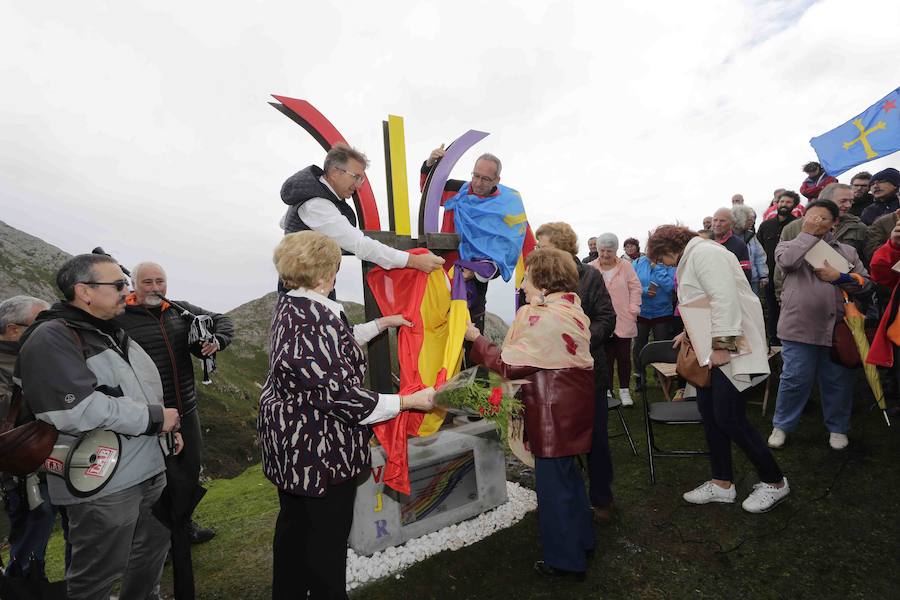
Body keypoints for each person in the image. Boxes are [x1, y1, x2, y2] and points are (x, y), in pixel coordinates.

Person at [259, 231, 435, 598]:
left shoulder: (293, 305)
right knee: (325, 545)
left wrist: (380, 324)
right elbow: (341, 397)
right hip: (317, 453)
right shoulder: (313, 321)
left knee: (294, 534)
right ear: (327, 273)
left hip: (291, 450)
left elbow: (332, 346)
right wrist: (407, 402)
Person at [15, 253, 181, 600]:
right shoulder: (51, 337)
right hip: (102, 484)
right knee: (97, 575)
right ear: (84, 291)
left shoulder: (111, 331)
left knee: (150, 554)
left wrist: (166, 429)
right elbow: (75, 409)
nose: (126, 291)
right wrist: (154, 418)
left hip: (149, 467)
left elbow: (138, 390)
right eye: (118, 285)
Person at [465, 247, 595, 578]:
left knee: (553, 492)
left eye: (527, 277)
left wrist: (476, 338)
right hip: (573, 410)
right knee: (569, 480)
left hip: (552, 414)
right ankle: (582, 541)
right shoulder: (570, 309)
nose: (522, 285)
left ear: (543, 280)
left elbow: (508, 364)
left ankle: (565, 562)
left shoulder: (544, 319)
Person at [645, 225, 789, 514]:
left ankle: (774, 481)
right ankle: (722, 483)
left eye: (662, 259)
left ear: (669, 248)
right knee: (711, 416)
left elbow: (725, 299)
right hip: (712, 347)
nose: (665, 265)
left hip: (728, 348)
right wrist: (689, 331)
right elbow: (705, 302)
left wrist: (723, 345)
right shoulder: (697, 255)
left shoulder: (705, 253)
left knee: (729, 417)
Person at [115, 262, 234, 598]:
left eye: (160, 281)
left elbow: (222, 320)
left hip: (187, 412)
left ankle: (183, 527)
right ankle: (158, 541)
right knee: (157, 481)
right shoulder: (120, 317)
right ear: (134, 284)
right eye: (147, 282)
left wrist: (217, 341)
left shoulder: (179, 310)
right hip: (149, 418)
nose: (155, 287)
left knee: (188, 473)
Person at [768, 199, 872, 451]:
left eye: (822, 218)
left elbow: (866, 284)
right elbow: (787, 263)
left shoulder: (847, 251)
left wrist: (840, 277)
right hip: (798, 327)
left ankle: (838, 428)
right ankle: (782, 425)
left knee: (838, 380)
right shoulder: (788, 245)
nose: (815, 221)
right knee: (794, 379)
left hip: (838, 328)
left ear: (834, 223)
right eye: (811, 217)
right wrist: (807, 236)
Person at [533, 223, 616, 523]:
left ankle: (602, 499)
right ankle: (566, 499)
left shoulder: (589, 276)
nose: (536, 251)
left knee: (596, 440)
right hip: (550, 377)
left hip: (588, 374)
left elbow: (607, 318)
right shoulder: (536, 276)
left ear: (561, 247)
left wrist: (578, 339)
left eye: (542, 246)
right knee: (556, 441)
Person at [280, 143, 444, 279]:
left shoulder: (312, 195)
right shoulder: (317, 205)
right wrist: (414, 261)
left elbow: (283, 223)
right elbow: (359, 244)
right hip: (306, 290)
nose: (359, 185)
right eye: (356, 176)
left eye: (362, 179)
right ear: (335, 172)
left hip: (310, 285)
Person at [422, 146, 529, 332]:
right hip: (443, 271)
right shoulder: (456, 190)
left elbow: (506, 250)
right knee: (439, 329)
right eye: (476, 175)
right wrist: (430, 164)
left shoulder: (508, 205)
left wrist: (476, 274)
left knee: (471, 332)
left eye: (485, 179)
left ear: (497, 180)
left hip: (476, 280)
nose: (478, 183)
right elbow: (427, 190)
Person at [0, 295, 53, 578]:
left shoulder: (37, 355)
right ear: (13, 330)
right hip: (20, 471)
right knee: (29, 543)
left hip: (49, 463)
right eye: (39, 324)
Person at [589, 233, 641, 406]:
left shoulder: (626, 266)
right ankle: (608, 390)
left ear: (616, 250)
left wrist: (633, 309)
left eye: (609, 251)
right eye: (602, 250)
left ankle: (625, 390)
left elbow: (635, 287)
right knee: (604, 358)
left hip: (623, 318)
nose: (605, 254)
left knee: (624, 357)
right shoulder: (591, 267)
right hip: (600, 321)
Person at [757, 191, 800, 344]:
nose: (784, 205)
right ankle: (774, 341)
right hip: (769, 274)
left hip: (790, 275)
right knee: (772, 309)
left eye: (788, 202)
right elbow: (759, 250)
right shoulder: (766, 225)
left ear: (794, 205)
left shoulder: (798, 226)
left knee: (790, 309)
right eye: (782, 201)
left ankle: (790, 340)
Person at [631, 254, 676, 388]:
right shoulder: (637, 263)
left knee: (661, 346)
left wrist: (656, 267)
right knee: (638, 345)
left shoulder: (668, 262)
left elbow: (670, 286)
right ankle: (640, 376)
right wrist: (645, 291)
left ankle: (661, 377)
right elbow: (631, 284)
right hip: (642, 311)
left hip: (662, 311)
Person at [732, 205, 768, 294]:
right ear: (740, 220)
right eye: (749, 219)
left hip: (752, 280)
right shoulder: (728, 237)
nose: (752, 222)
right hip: (733, 281)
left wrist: (763, 275)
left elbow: (760, 256)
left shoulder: (751, 236)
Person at [711, 208, 752, 283]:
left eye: (722, 221)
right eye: (715, 220)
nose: (717, 224)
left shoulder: (739, 244)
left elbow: (746, 273)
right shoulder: (704, 242)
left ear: (732, 224)